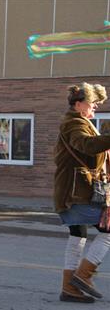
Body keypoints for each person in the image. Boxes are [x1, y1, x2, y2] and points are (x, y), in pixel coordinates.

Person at [54, 82, 110, 303]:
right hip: (76, 194)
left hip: (74, 191)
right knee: (108, 230)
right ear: (78, 105)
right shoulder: (74, 123)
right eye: (92, 104)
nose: (95, 107)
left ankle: (69, 288)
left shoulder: (80, 122)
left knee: (78, 236)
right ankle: (83, 276)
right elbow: (86, 145)